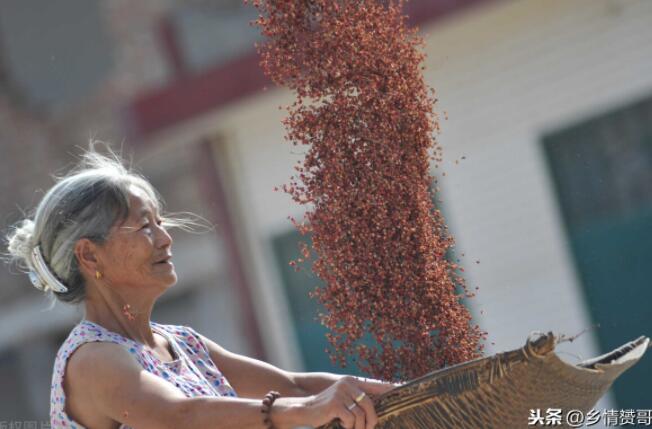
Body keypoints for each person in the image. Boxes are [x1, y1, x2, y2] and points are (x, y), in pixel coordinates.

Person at [5, 146, 395, 429]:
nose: (165, 239)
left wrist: (402, 395)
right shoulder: (92, 361)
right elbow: (180, 416)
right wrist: (306, 409)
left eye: (160, 223)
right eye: (144, 227)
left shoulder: (185, 345)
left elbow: (292, 384)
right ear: (90, 256)